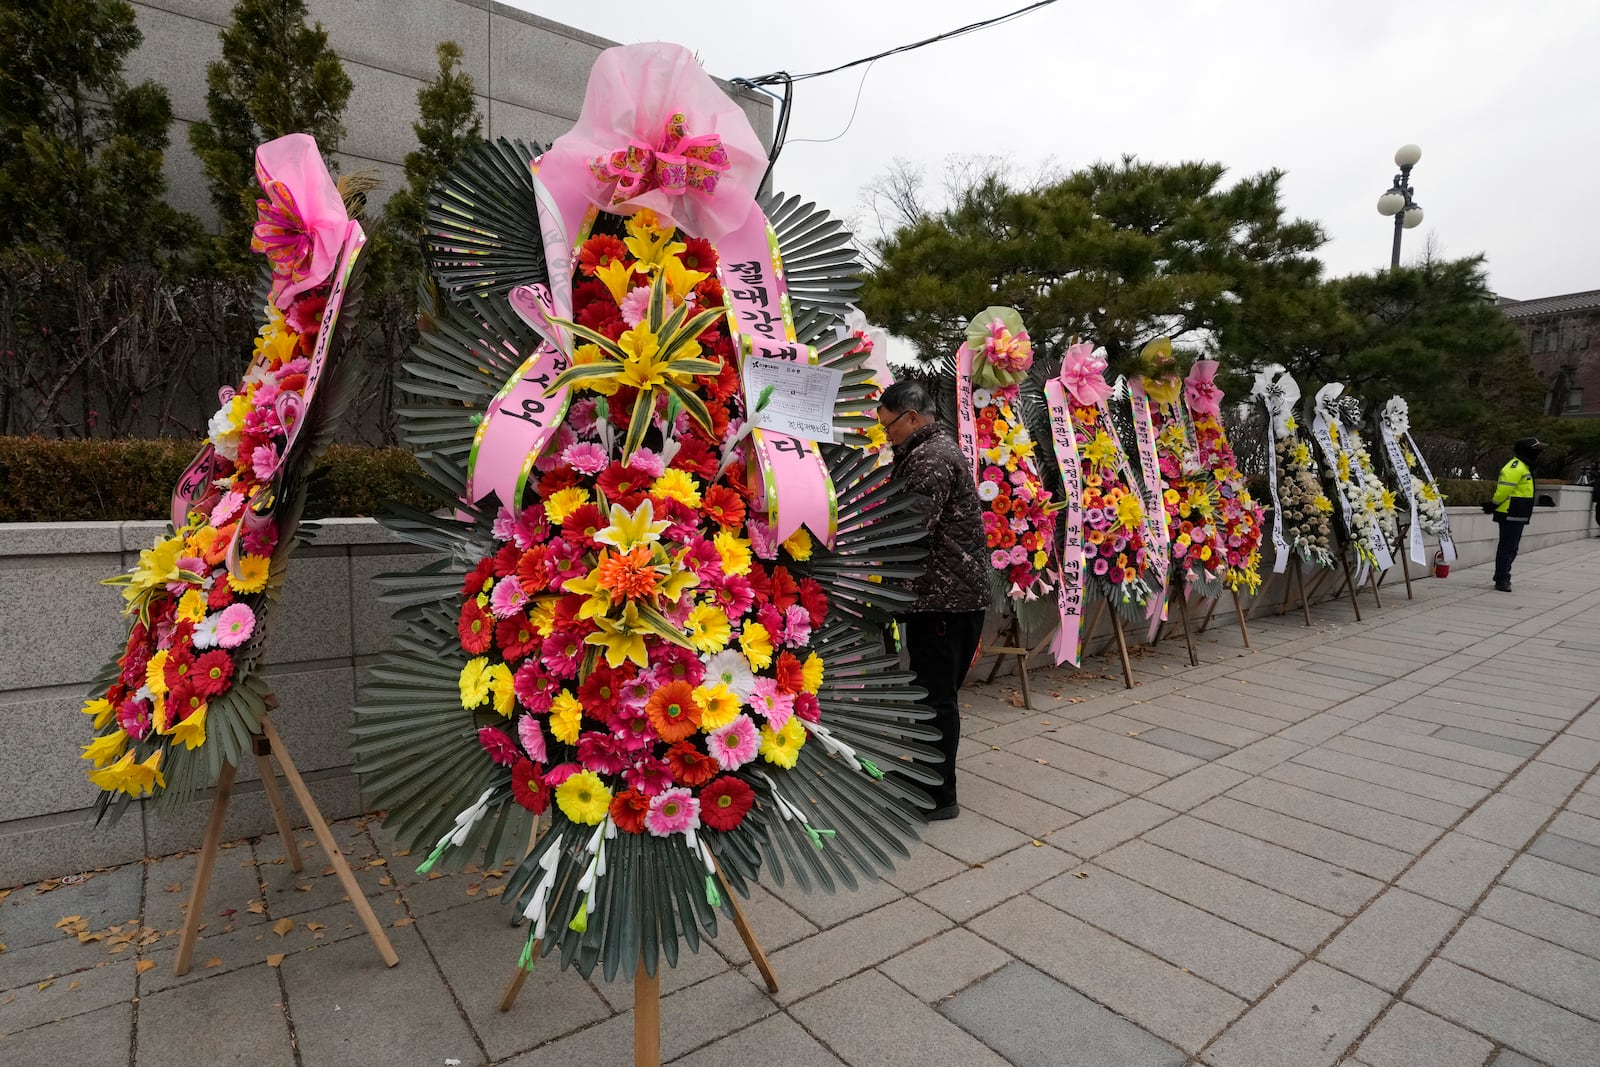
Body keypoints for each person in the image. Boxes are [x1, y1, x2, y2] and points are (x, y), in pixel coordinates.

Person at [877, 380, 989, 820]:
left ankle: (940, 796)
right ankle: (926, 777)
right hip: (943, 598)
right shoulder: (930, 451)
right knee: (930, 693)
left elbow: (907, 525)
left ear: (909, 417)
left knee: (936, 698)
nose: (887, 436)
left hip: (945, 602)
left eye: (888, 427)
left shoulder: (931, 459)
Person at [1483, 436, 1543, 591]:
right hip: (1510, 512)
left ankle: (1502, 576)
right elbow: (1504, 490)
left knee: (1511, 547)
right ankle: (1502, 579)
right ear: (1526, 451)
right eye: (1536, 450)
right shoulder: (1515, 467)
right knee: (1508, 547)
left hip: (1518, 512)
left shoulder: (1524, 467)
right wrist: (1494, 504)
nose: (1539, 453)